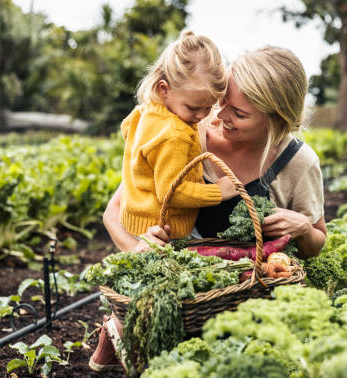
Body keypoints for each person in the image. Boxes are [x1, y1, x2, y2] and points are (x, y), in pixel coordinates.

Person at [90, 45, 327, 372]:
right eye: (222, 101)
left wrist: (302, 228)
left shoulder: (299, 163)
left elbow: (317, 242)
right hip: (186, 303)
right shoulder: (187, 129)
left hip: (251, 299)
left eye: (239, 113)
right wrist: (140, 250)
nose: (219, 115)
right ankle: (120, 329)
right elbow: (113, 213)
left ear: (278, 118)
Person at [117, 30, 237, 242]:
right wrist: (218, 192)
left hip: (138, 220)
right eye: (193, 107)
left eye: (209, 107)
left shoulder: (145, 112)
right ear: (164, 89)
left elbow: (127, 130)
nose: (201, 116)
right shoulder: (175, 134)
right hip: (164, 230)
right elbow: (171, 192)